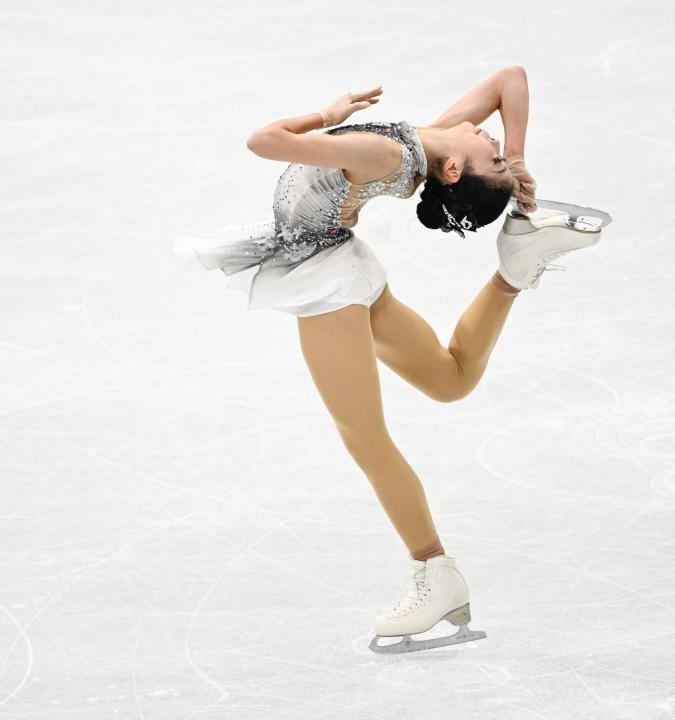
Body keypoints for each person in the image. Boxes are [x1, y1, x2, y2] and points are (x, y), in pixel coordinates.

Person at [176, 66, 604, 653]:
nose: (495, 143)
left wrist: (328, 117)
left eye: (495, 157)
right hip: (336, 259)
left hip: (325, 283)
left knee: (366, 439)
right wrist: (519, 161)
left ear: (453, 171)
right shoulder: (433, 143)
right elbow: (510, 79)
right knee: (450, 379)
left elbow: (263, 141)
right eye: (498, 152)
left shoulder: (386, 153)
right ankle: (513, 270)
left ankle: (434, 572)